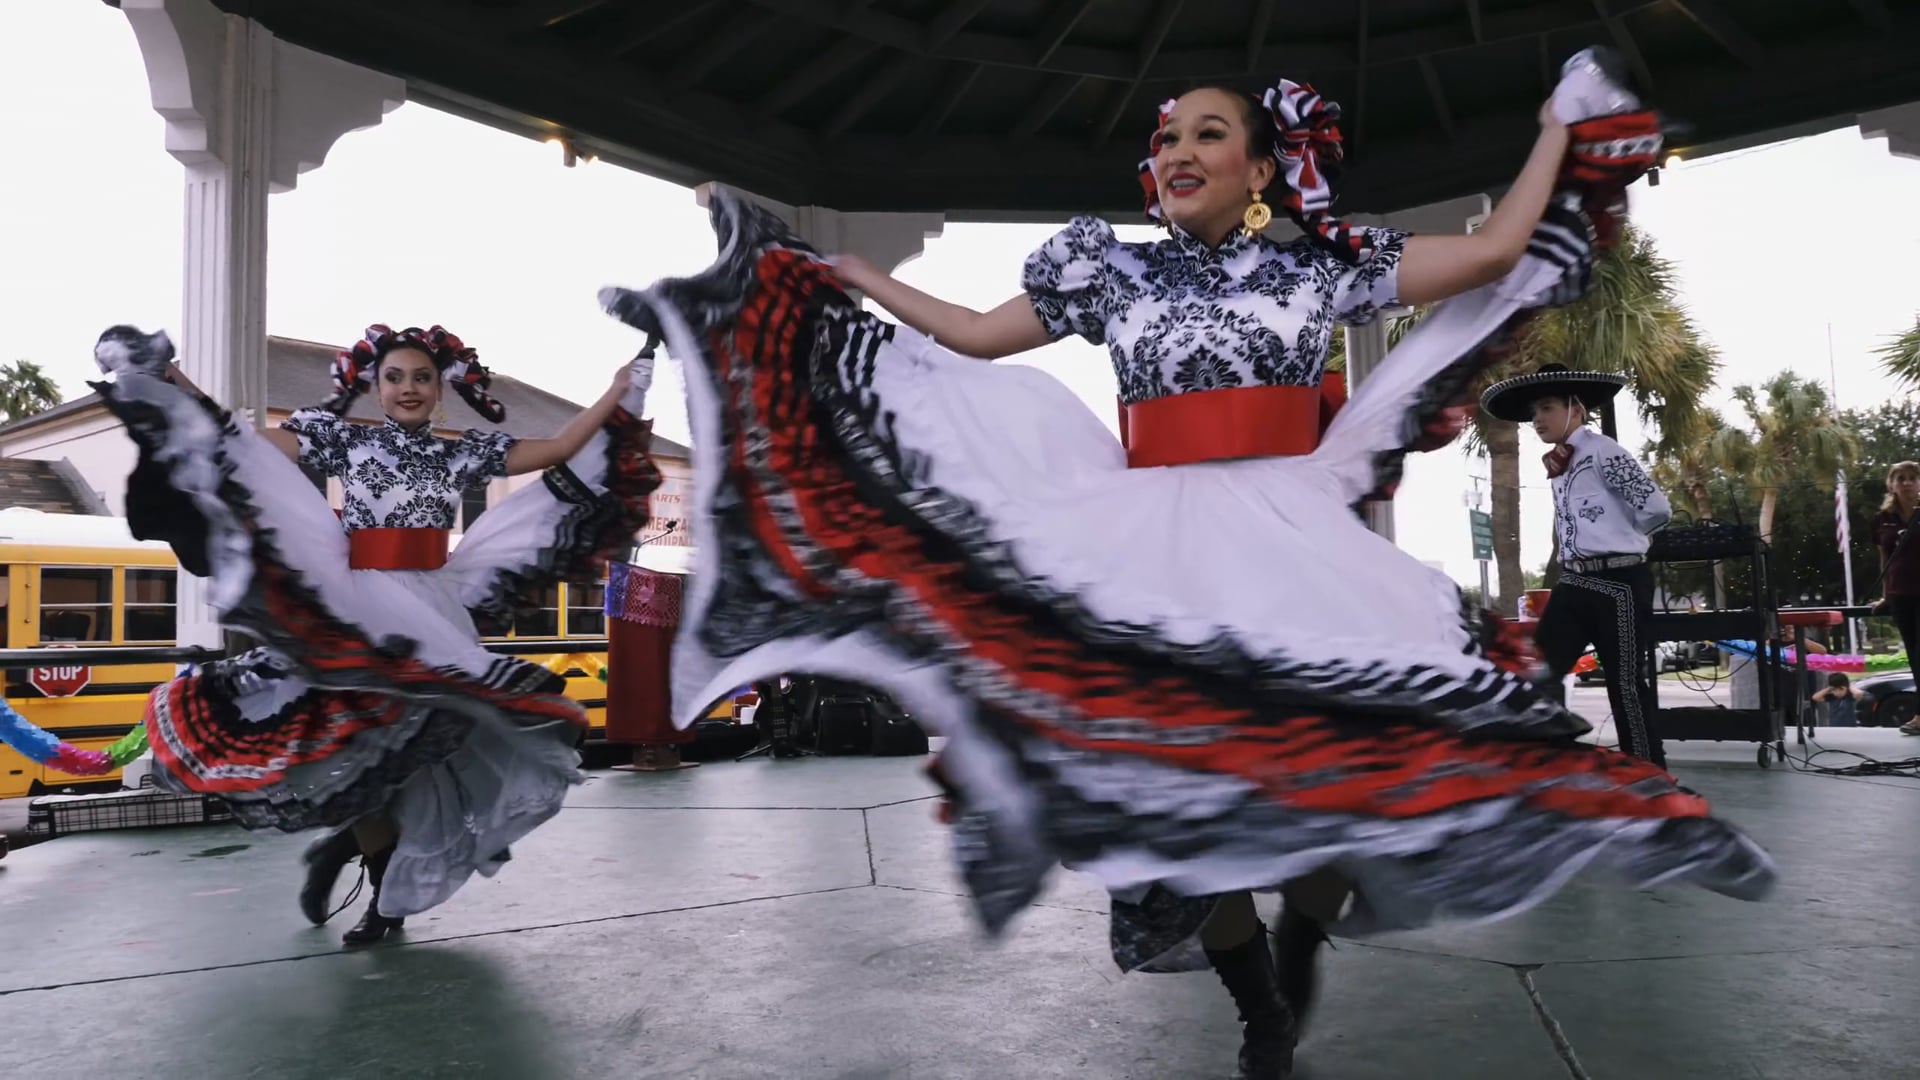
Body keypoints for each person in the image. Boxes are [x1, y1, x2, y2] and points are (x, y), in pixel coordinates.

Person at [601, 48, 1772, 1080]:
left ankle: (1309, 921)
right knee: (1163, 810)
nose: (1177, 149)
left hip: (1287, 540)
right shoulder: (1110, 271)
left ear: (1263, 169)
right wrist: (855, 281)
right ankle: (1256, 997)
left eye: (1208, 132)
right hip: (1147, 541)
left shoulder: (1326, 264)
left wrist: (1563, 128)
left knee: (1321, 786)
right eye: (1166, 137)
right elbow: (966, 334)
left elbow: (1500, 249)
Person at [90, 322, 663, 944]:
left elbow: (556, 448)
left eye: (421, 378)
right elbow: (243, 443)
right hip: (357, 604)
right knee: (357, 748)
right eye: (395, 378)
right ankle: (378, 891)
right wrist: (166, 378)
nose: (408, 388)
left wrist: (616, 390)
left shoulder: (459, 451)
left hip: (430, 610)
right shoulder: (340, 440)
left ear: (439, 387)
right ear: (374, 386)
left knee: (406, 759)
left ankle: (358, 870)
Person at [1481, 363, 1672, 766]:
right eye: (1534, 412)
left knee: (1625, 683)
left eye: (1546, 408)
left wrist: (1628, 538)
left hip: (1619, 582)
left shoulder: (1605, 451)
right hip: (1575, 581)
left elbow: (1656, 507)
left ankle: (1650, 771)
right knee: (1542, 673)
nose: (1537, 419)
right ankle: (1543, 760)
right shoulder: (1559, 464)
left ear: (1576, 409)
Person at [1870, 460, 1920, 734]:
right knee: (1913, 655)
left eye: (1913, 477)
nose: (1907, 482)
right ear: (1892, 484)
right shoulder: (1882, 518)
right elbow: (1884, 559)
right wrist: (1885, 596)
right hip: (1901, 594)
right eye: (1901, 477)